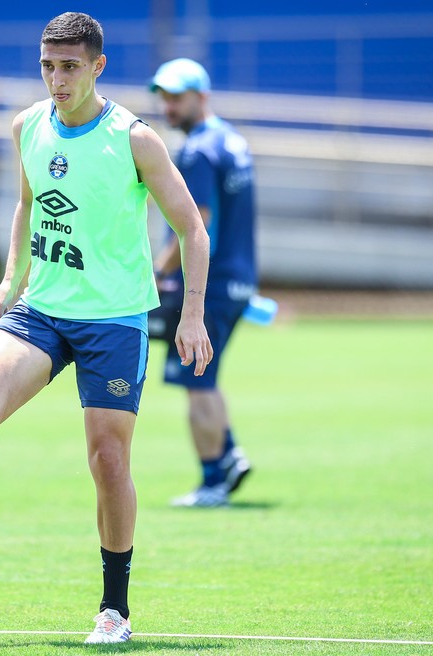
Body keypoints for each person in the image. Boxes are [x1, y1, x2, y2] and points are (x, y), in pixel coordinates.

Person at [0, 13, 212, 645]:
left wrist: (190, 315)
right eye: (48, 66)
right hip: (43, 308)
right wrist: (9, 282)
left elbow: (191, 228)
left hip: (114, 319)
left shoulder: (134, 140)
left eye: (70, 67)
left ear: (97, 66)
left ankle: (114, 608)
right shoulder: (27, 126)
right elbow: (26, 208)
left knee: (107, 460)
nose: (56, 79)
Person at [148, 58, 258, 508]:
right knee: (206, 377)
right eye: (164, 96)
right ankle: (229, 453)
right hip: (238, 279)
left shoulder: (197, 152)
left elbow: (198, 225)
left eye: (178, 96)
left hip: (206, 285)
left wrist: (158, 271)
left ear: (201, 95)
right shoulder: (233, 141)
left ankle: (215, 480)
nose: (168, 106)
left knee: (198, 380)